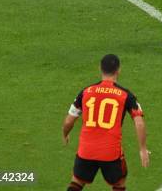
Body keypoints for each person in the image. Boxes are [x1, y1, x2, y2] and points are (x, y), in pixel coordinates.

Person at [62, 54, 149, 191]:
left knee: (77, 182)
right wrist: (142, 149)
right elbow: (139, 122)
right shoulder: (126, 95)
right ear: (118, 70)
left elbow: (69, 120)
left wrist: (65, 134)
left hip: (86, 150)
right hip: (111, 152)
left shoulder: (85, 92)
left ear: (100, 69)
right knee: (119, 183)